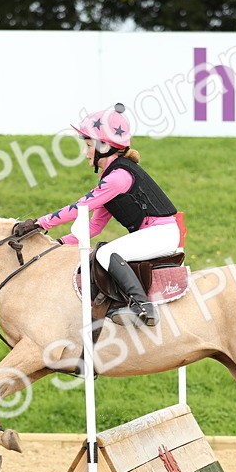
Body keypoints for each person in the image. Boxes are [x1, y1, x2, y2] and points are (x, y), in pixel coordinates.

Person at [13, 103, 184, 327]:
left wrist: (39, 224)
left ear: (104, 146)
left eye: (88, 145)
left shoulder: (118, 177)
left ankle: (142, 306)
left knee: (106, 253)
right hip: (155, 233)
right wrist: (56, 243)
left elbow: (79, 207)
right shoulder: (112, 177)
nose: (85, 153)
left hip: (160, 234)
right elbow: (93, 227)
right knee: (105, 251)